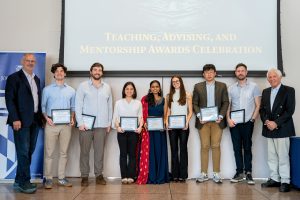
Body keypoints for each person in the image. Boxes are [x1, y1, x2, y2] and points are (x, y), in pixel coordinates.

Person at [5, 53, 43, 193]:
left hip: (34, 120)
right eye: (28, 60)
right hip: (20, 121)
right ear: (22, 61)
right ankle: (25, 182)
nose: (30, 63)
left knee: (29, 151)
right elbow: (10, 100)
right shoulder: (14, 78)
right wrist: (15, 118)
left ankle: (18, 180)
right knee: (23, 152)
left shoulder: (36, 79)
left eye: (33, 61)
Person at [75, 62, 113, 186]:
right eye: (95, 70)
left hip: (102, 126)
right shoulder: (83, 86)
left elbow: (110, 106)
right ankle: (84, 176)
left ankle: (99, 175)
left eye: (99, 70)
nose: (97, 72)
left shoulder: (107, 87)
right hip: (85, 126)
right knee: (84, 152)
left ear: (102, 73)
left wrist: (109, 123)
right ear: (90, 72)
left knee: (99, 152)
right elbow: (78, 105)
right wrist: (80, 123)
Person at [260, 68, 295, 192]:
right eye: (270, 77)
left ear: (280, 78)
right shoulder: (265, 91)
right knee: (271, 156)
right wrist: (266, 121)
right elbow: (262, 110)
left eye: (274, 76)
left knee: (283, 156)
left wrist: (276, 123)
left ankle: (285, 180)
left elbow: (289, 110)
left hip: (283, 128)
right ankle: (275, 179)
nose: (272, 79)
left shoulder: (289, 90)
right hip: (269, 128)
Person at [192, 64, 229, 184]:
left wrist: (221, 116)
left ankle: (216, 174)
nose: (209, 74)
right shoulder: (198, 87)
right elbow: (195, 104)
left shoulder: (222, 86)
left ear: (215, 73)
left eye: (211, 72)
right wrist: (199, 116)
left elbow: (225, 102)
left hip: (217, 121)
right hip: (203, 122)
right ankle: (203, 174)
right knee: (204, 146)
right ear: (203, 74)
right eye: (206, 72)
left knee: (216, 146)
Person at [42, 63, 75, 189]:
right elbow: (43, 107)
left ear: (65, 74)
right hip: (51, 124)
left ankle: (61, 178)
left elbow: (73, 108)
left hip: (66, 125)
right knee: (49, 153)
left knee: (64, 153)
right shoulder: (47, 90)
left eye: (62, 71)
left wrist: (72, 118)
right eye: (57, 71)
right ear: (54, 74)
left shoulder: (71, 90)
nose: (60, 73)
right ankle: (49, 179)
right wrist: (46, 119)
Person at [227, 63, 261, 185]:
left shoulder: (254, 86)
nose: (240, 73)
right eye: (238, 71)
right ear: (235, 73)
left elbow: (258, 105)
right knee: (236, 148)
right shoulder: (231, 88)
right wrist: (228, 119)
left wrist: (252, 119)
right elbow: (228, 106)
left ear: (246, 72)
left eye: (242, 71)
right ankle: (239, 173)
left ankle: (248, 173)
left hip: (248, 122)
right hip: (234, 123)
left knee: (247, 147)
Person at [137, 80, 169, 184]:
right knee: (150, 153)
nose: (155, 88)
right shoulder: (145, 99)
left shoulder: (164, 100)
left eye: (157, 87)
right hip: (148, 131)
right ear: (150, 88)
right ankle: (151, 175)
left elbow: (165, 116)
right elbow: (141, 114)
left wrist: (164, 124)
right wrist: (145, 123)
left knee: (159, 152)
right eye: (153, 87)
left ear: (159, 88)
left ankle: (160, 176)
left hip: (160, 131)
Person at [113, 82, 143, 184]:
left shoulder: (138, 103)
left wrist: (140, 127)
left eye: (131, 89)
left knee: (132, 155)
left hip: (134, 132)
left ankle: (131, 176)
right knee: (123, 154)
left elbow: (141, 117)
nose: (129, 91)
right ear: (124, 90)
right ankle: (124, 176)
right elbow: (115, 117)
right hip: (122, 132)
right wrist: (118, 127)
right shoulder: (118, 103)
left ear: (134, 91)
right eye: (127, 89)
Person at [165, 75, 193, 182]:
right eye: (173, 82)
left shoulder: (187, 95)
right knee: (174, 150)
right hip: (172, 126)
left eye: (177, 81)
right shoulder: (169, 96)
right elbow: (168, 112)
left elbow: (190, 112)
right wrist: (167, 122)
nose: (175, 83)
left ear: (181, 82)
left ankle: (183, 175)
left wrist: (186, 122)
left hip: (184, 126)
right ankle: (175, 175)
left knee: (183, 150)